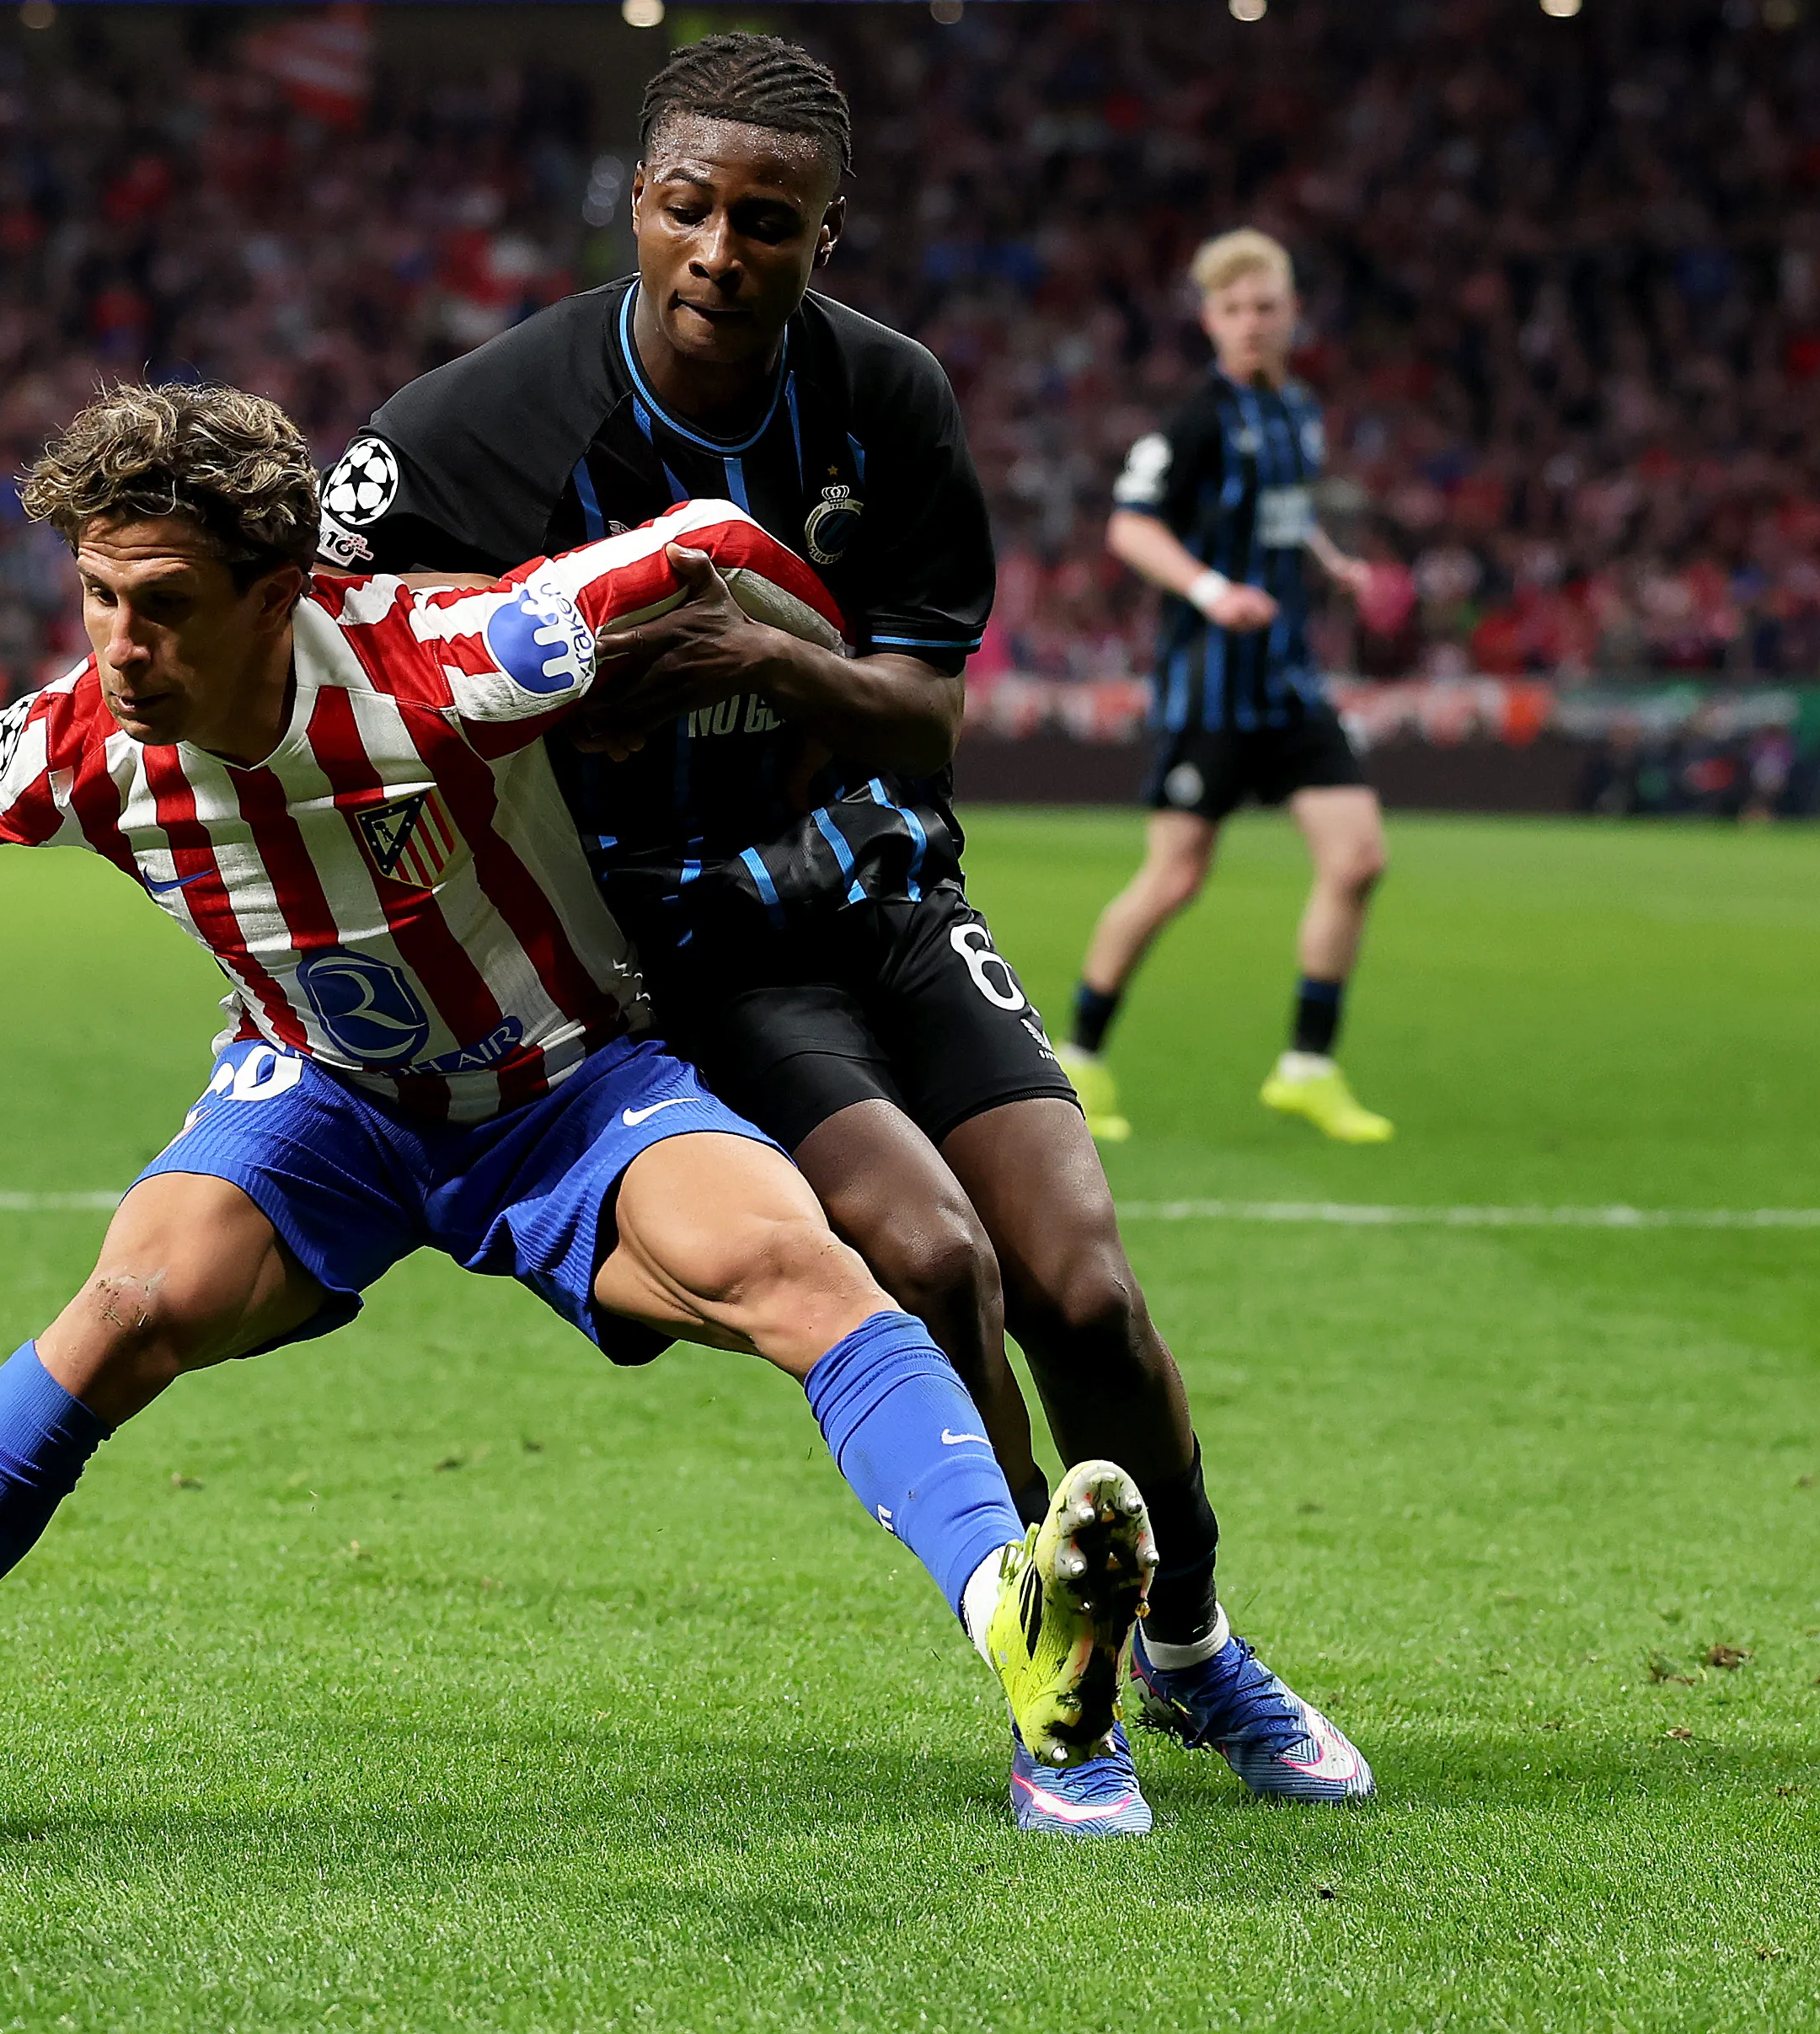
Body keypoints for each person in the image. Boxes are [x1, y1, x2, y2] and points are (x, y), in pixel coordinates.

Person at [0, 384, 1160, 1855]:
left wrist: (809, 673)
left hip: (565, 1087)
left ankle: (1019, 1622)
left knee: (799, 1274)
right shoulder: (85, 744)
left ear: (277, 594)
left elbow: (708, 543)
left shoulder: (456, 659)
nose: (120, 645)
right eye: (97, 597)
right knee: (124, 1308)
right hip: (320, 1102)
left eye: (163, 605)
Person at [324, 35, 1370, 1836]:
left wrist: (769, 660)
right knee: (929, 1252)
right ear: (634, 205)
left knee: (1090, 1286)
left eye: (768, 221)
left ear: (830, 237)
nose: (721, 250)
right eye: (687, 208)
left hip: (885, 891)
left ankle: (1193, 1637)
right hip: (696, 949)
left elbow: (924, 716)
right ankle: (1067, 1678)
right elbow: (336, 648)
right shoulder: (475, 425)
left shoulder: (889, 400)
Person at [1064, 229, 1396, 1146]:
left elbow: (1283, 519)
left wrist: (1330, 563)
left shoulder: (1299, 412)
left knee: (1358, 858)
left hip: (1288, 682)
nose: (1252, 323)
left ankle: (1308, 1067)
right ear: (1211, 321)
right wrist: (1211, 589)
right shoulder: (1197, 418)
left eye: (1267, 307)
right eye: (1235, 310)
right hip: (1211, 689)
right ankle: (1079, 1060)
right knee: (1175, 877)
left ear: (1292, 314)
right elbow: (1131, 529)